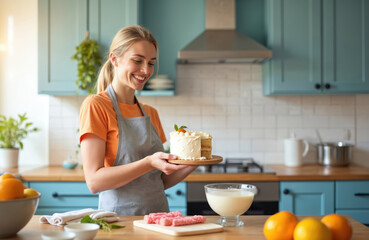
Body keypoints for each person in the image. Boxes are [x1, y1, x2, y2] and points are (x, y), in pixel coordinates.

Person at [79, 25, 197, 216]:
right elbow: (94, 182)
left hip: (159, 220)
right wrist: (149, 162)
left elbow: (159, 181)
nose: (145, 70)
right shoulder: (97, 106)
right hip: (118, 223)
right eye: (137, 61)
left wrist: (193, 162)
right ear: (114, 59)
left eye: (151, 63)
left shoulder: (150, 113)